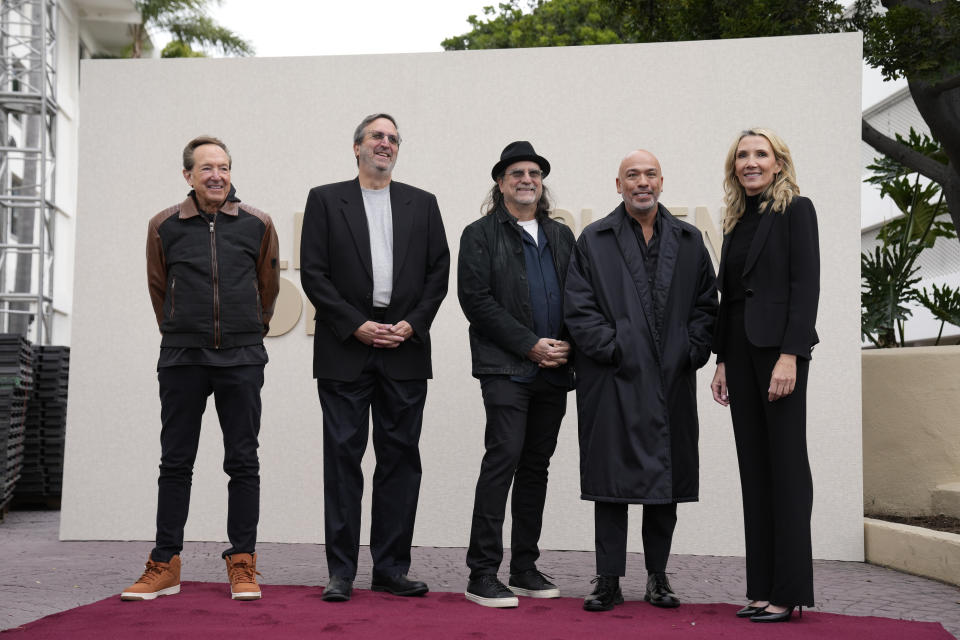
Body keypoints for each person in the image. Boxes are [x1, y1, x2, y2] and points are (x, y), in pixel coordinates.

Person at [300, 113, 450, 603]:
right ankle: (340, 572)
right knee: (343, 461)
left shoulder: (422, 204)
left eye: (393, 139)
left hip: (404, 347)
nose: (385, 144)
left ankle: (390, 568)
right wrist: (354, 324)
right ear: (356, 147)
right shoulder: (325, 200)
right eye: (376, 137)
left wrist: (413, 323)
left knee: (400, 462)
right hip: (346, 348)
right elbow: (315, 275)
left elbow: (438, 273)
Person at [123, 136, 280, 602]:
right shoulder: (163, 225)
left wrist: (249, 330)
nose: (217, 175)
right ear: (188, 175)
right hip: (182, 358)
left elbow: (267, 289)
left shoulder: (258, 223)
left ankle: (243, 561)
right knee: (175, 463)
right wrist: (179, 328)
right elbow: (159, 289)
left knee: (243, 462)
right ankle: (165, 563)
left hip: (242, 357)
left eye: (224, 167)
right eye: (207, 167)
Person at [564, 149, 718, 612]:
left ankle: (658, 577)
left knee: (663, 486)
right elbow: (578, 306)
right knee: (611, 485)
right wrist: (614, 347)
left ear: (662, 182)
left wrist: (689, 350)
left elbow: (706, 306)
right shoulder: (594, 239)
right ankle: (607, 579)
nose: (642, 182)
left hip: (669, 378)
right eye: (632, 175)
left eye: (650, 174)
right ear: (619, 185)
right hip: (612, 379)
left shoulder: (689, 240)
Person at [458, 141, 575, 608]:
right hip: (506, 367)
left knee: (536, 469)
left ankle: (524, 567)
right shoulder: (480, 234)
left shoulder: (562, 236)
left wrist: (568, 344)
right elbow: (476, 300)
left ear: (541, 183)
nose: (526, 179)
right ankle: (481, 572)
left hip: (555, 370)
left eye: (534, 173)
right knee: (502, 461)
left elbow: (580, 294)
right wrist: (529, 344)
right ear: (501, 183)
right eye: (516, 174)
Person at [709, 128, 819, 623]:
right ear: (735, 167)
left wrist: (790, 355)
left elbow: (805, 286)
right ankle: (761, 588)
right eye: (743, 156)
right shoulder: (736, 220)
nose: (750, 162)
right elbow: (729, 299)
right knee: (754, 472)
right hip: (739, 353)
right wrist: (722, 361)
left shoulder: (797, 209)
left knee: (786, 470)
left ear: (778, 163)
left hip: (779, 357)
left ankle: (789, 590)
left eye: (761, 154)